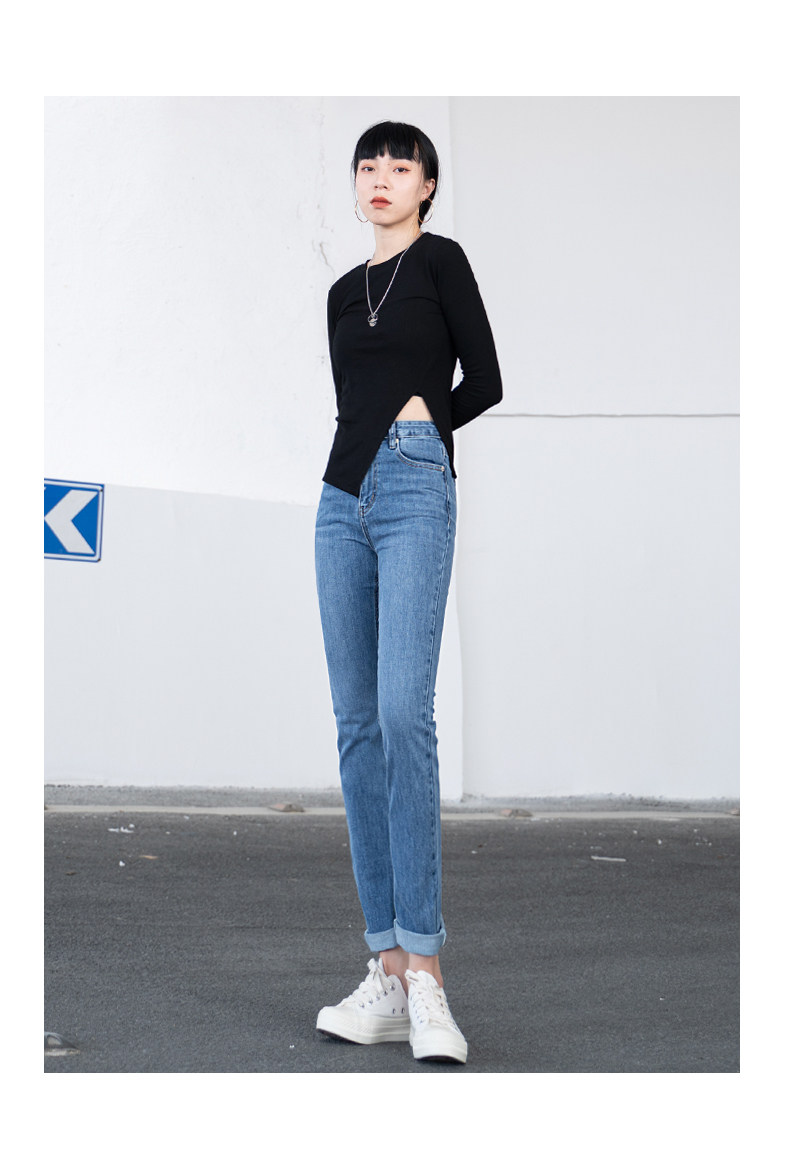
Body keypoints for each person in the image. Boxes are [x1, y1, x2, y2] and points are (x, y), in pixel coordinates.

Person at [313, 120, 502, 1065]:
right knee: (356, 724)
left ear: (428, 184)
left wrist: (423, 426)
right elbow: (347, 397)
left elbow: (488, 379)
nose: (380, 177)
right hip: (339, 496)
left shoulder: (442, 262)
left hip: (417, 483)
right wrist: (371, 445)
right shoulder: (343, 292)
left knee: (402, 712)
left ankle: (426, 971)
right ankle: (385, 966)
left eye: (400, 165)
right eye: (368, 166)